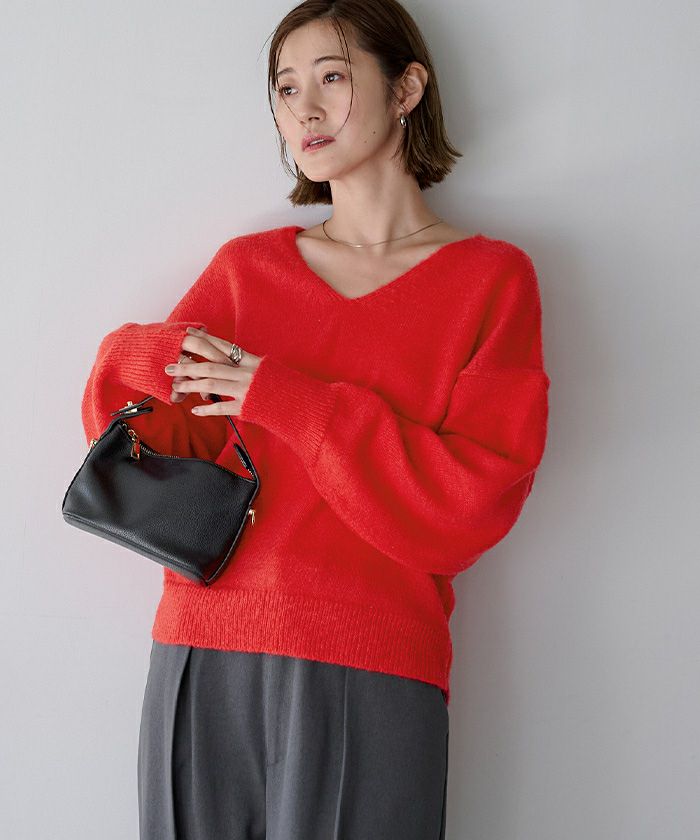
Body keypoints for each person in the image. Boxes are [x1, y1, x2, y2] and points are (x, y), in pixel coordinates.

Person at [80, 2, 551, 838]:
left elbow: (469, 507)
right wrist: (146, 354)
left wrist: (287, 399)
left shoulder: (489, 280)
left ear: (406, 88)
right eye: (286, 87)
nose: (305, 108)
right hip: (203, 647)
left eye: (333, 76)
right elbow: (141, 442)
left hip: (374, 662)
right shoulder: (246, 272)